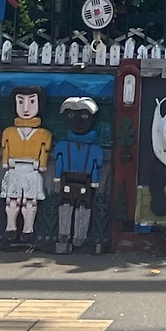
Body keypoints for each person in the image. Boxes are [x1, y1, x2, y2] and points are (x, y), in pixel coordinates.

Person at [53, 95, 106, 252]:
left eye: (84, 116)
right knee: (65, 205)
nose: (78, 121)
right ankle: (63, 234)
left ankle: (80, 236)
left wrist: (95, 180)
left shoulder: (95, 149)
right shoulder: (63, 146)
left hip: (85, 180)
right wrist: (57, 178)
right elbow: (59, 162)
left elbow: (96, 166)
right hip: (67, 179)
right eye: (71, 115)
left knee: (83, 206)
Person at [0, 87, 51, 242]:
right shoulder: (9, 132)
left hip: (32, 170)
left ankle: (28, 229)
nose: (26, 108)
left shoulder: (44, 134)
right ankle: (10, 227)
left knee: (30, 202)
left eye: (32, 102)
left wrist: (41, 164)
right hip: (14, 169)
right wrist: (5, 161)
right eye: (21, 102)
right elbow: (5, 149)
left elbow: (44, 151)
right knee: (12, 201)